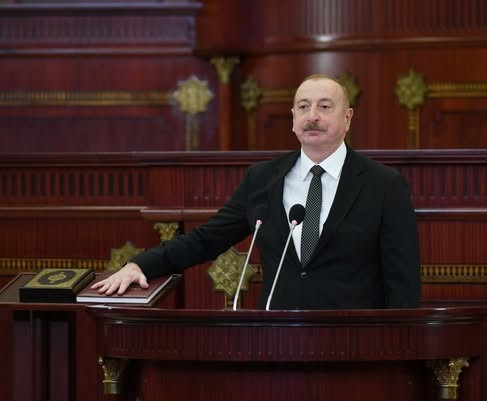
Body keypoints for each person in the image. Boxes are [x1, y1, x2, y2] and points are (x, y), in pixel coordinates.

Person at [92, 74, 421, 309]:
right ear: (293, 118)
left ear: (347, 118)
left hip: (355, 344)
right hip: (278, 338)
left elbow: (402, 281)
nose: (313, 117)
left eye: (325, 107)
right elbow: (207, 239)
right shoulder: (264, 178)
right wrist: (141, 265)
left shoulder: (383, 185)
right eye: (303, 107)